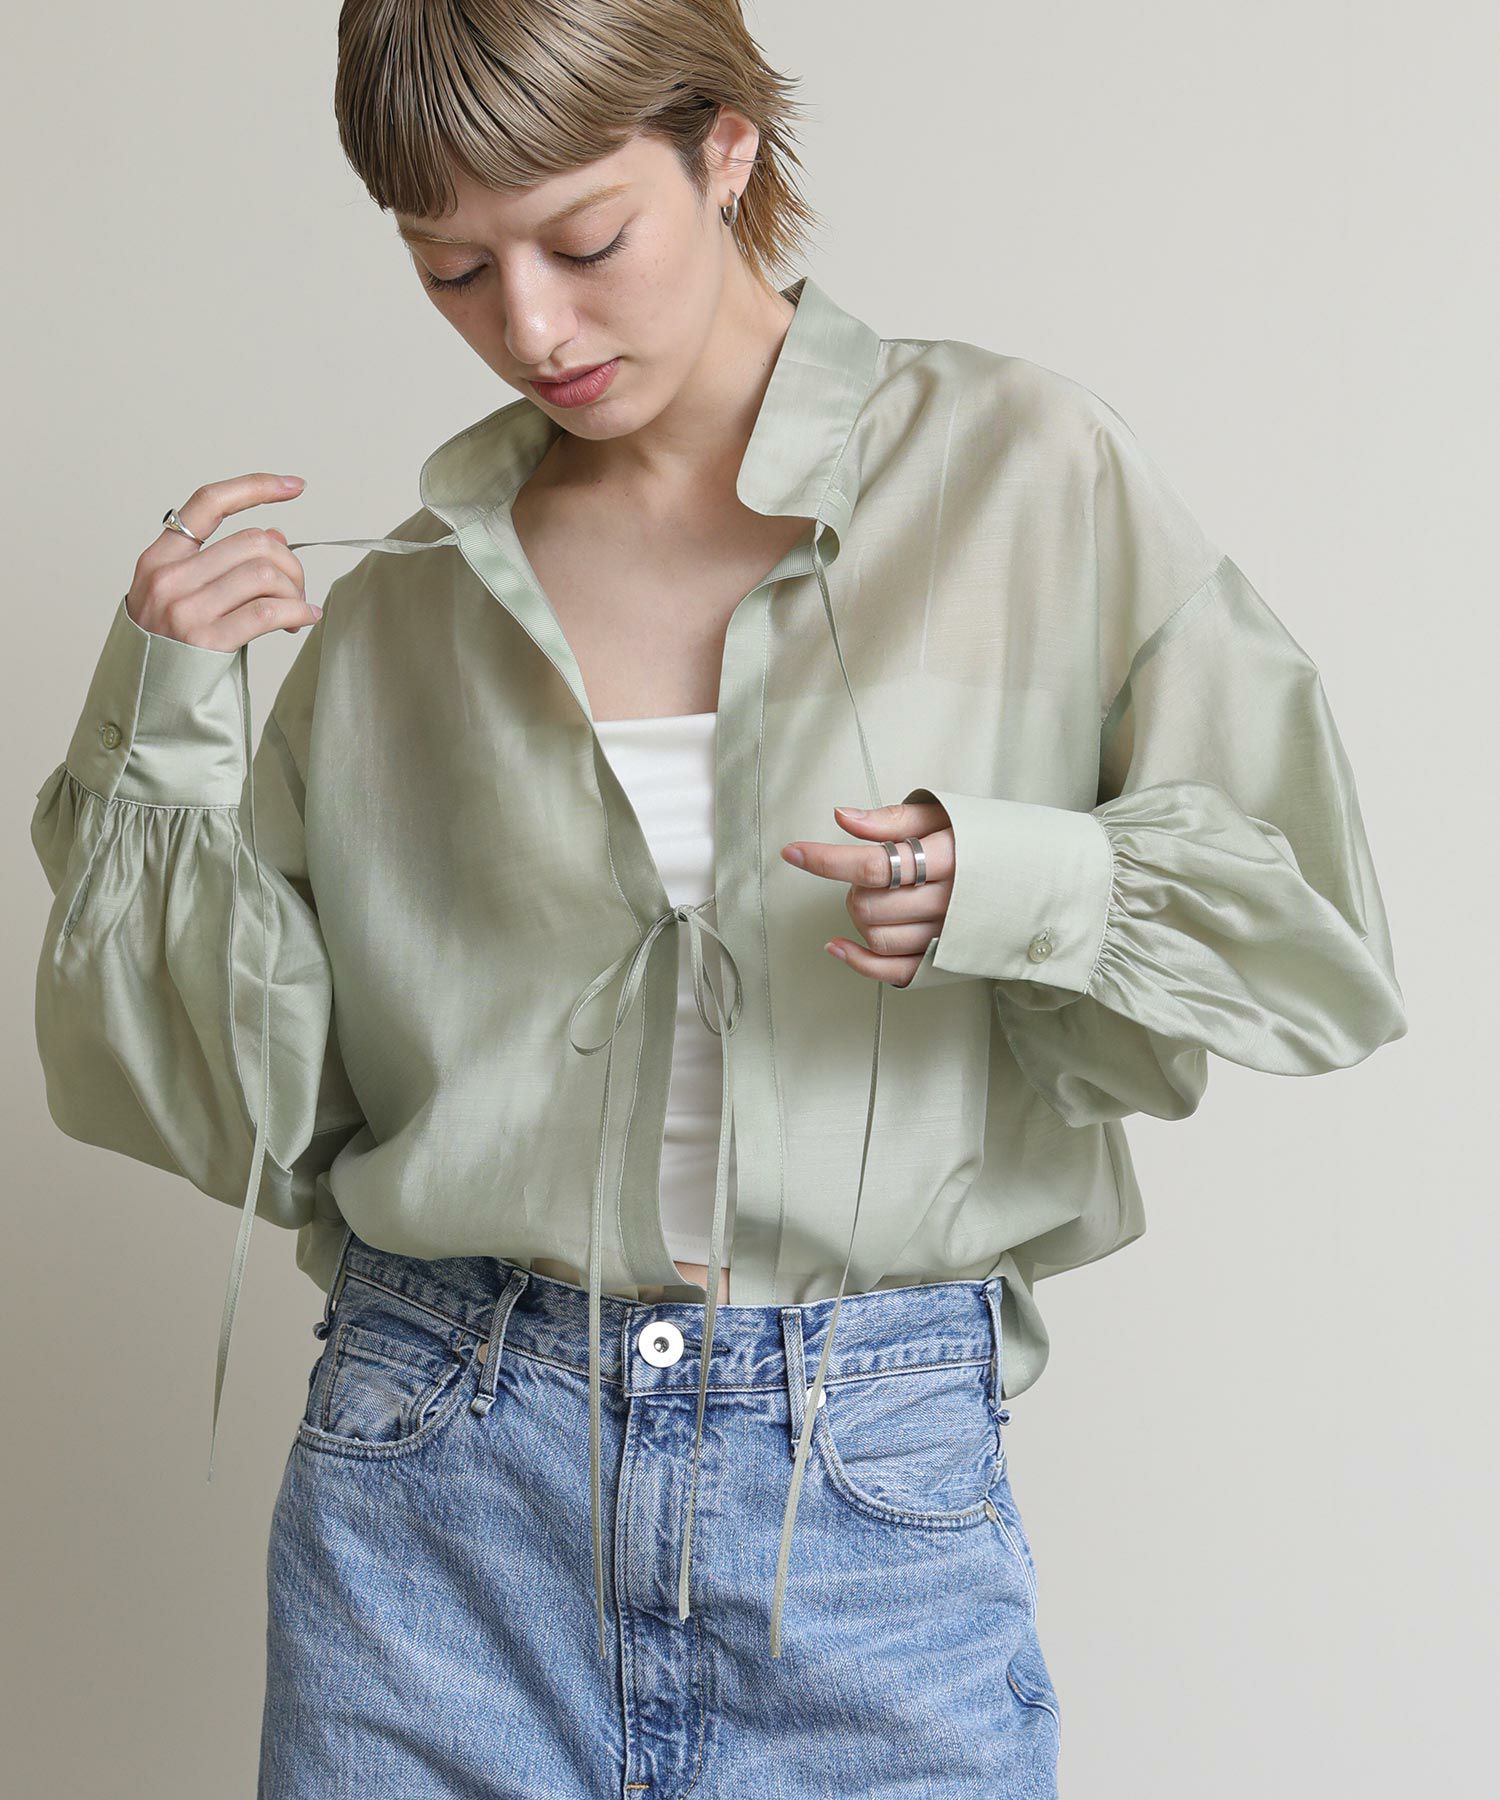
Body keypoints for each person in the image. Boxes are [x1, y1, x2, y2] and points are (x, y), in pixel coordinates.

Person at [28, 2, 1409, 1793]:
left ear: (727, 148)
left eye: (586, 240)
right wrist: (162, 732)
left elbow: (1314, 942)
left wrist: (1015, 882)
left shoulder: (1027, 473)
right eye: (454, 270)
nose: (531, 328)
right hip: (435, 1490)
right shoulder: (405, 607)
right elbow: (227, 1111)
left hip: (863, 1491)